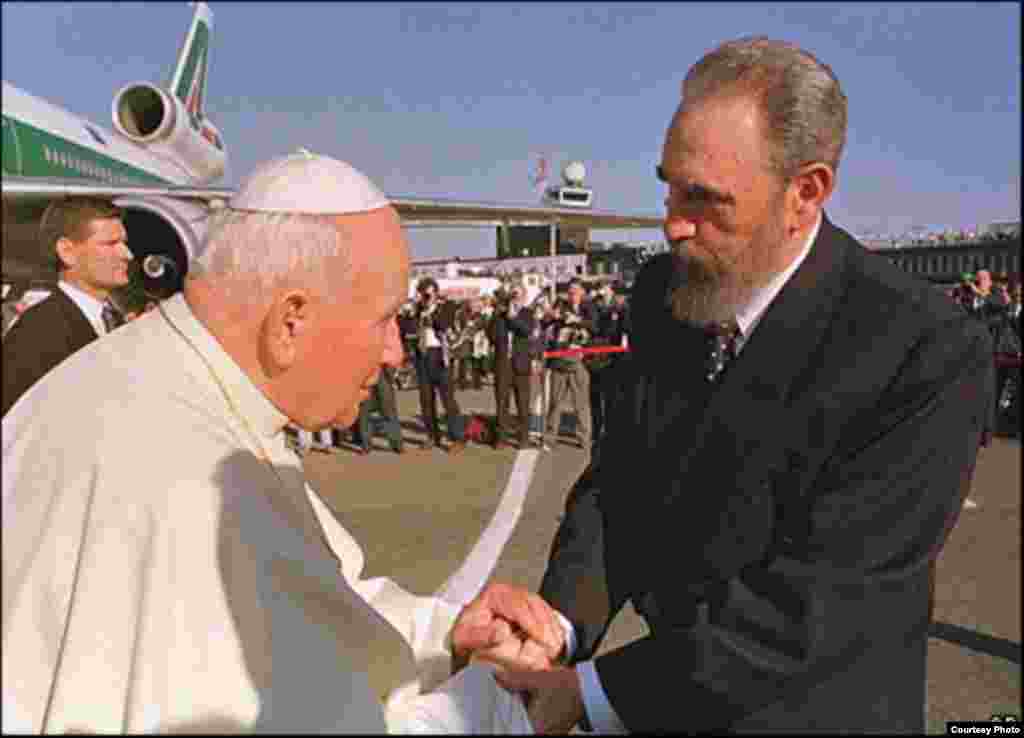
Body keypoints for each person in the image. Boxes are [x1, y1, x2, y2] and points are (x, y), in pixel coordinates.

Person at [452, 37, 993, 733]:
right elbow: (620, 488)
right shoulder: (663, 294)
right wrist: (554, 627)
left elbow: (820, 607)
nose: (673, 224)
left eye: (705, 200)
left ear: (805, 193)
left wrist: (591, 694)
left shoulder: (922, 350)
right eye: (669, 188)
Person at [2, 152, 564, 733]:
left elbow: (324, 599)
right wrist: (503, 708)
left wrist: (446, 634)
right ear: (290, 320)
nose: (396, 351)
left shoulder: (167, 384)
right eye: (383, 319)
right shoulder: (199, 483)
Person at [2, 197, 132, 416]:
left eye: (125, 243)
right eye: (110, 244)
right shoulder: (36, 333)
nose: (127, 255)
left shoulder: (118, 323)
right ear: (67, 251)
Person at [412, 278, 467, 453]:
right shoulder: (417, 311)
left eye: (429, 293)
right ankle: (432, 435)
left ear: (436, 292)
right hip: (422, 356)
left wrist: (431, 310)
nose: (426, 296)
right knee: (426, 401)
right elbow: (410, 329)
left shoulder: (445, 308)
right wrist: (418, 311)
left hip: (439, 356)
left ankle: (457, 437)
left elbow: (443, 324)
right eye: (423, 293)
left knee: (448, 400)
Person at [543, 280, 596, 453]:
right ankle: (550, 438)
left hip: (579, 362)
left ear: (582, 292)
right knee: (555, 403)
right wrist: (550, 316)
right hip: (559, 361)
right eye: (570, 291)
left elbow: (595, 326)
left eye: (575, 291)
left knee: (581, 404)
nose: (572, 294)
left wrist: (577, 320)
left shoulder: (589, 307)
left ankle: (584, 438)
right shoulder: (560, 304)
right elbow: (546, 324)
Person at [488, 283, 536, 450]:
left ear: (524, 297)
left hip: (521, 365)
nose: (515, 298)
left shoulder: (527, 313)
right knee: (502, 404)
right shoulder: (499, 315)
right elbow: (492, 336)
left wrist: (512, 317)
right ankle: (502, 438)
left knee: (523, 404)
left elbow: (526, 330)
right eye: (513, 295)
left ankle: (523, 438)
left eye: (518, 295)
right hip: (503, 364)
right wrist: (497, 315)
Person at [351, 363, 404, 455]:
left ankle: (397, 443)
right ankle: (366, 444)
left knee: (388, 408)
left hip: (382, 368)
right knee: (364, 410)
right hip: (364, 371)